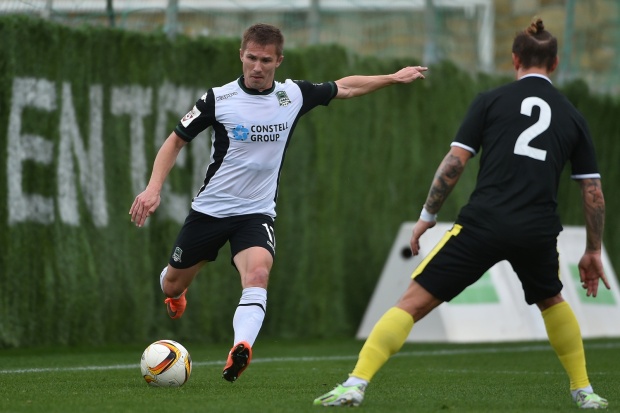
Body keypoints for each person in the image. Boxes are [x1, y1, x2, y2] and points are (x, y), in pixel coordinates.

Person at [313, 18, 609, 410]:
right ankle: (584, 391)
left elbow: (455, 163)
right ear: (554, 64)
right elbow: (592, 191)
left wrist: (427, 215)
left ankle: (355, 384)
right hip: (536, 230)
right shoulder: (572, 116)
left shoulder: (490, 100)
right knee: (552, 300)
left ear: (514, 59)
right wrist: (593, 250)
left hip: (483, 224)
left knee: (412, 302)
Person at [129, 23, 427, 383]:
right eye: (251, 58)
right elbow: (175, 140)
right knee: (172, 285)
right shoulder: (218, 99)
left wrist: (392, 78)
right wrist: (153, 189)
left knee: (257, 274)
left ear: (279, 61)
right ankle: (177, 294)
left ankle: (241, 347)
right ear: (241, 55)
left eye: (266, 60)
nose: (257, 67)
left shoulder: (293, 95)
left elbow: (345, 87)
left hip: (255, 213)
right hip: (210, 211)